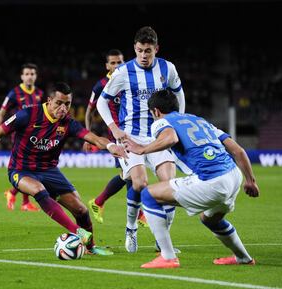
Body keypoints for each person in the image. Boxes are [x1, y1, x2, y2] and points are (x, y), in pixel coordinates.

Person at [0, 82, 126, 255]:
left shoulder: (68, 123)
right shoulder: (28, 114)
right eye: (58, 103)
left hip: (49, 171)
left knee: (81, 210)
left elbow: (95, 139)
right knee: (38, 189)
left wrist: (112, 146)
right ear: (49, 101)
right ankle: (77, 231)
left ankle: (91, 248)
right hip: (21, 170)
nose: (63, 108)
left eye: (67, 104)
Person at [123, 89, 259, 268]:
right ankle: (243, 258)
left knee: (148, 195)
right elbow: (238, 151)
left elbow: (170, 138)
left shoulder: (161, 122)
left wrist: (142, 149)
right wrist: (251, 180)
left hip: (213, 180)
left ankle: (168, 257)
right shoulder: (200, 120)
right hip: (234, 176)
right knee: (210, 219)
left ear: (155, 111)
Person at [97, 26, 185, 253]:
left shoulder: (168, 68)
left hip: (158, 134)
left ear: (156, 48)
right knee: (139, 183)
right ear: (134, 49)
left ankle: (161, 238)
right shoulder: (123, 72)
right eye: (139, 51)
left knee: (171, 185)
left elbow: (179, 94)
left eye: (148, 51)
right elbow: (101, 102)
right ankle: (131, 229)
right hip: (130, 134)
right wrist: (114, 128)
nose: (144, 56)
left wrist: (178, 123)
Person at [83, 49, 147, 227]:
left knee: (128, 174)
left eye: (120, 62)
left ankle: (99, 202)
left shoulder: (130, 78)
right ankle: (139, 214)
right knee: (131, 173)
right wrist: (88, 137)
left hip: (134, 131)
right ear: (107, 65)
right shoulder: (101, 84)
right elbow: (90, 111)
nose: (117, 65)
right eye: (113, 63)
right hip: (117, 135)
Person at [0, 63, 44, 212]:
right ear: (22, 76)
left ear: (36, 76)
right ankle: (23, 201)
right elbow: (1, 112)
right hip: (19, 135)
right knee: (26, 168)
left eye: (32, 74)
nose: (29, 76)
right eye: (27, 74)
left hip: (34, 136)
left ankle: (14, 194)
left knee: (28, 169)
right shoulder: (14, 93)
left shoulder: (39, 93)